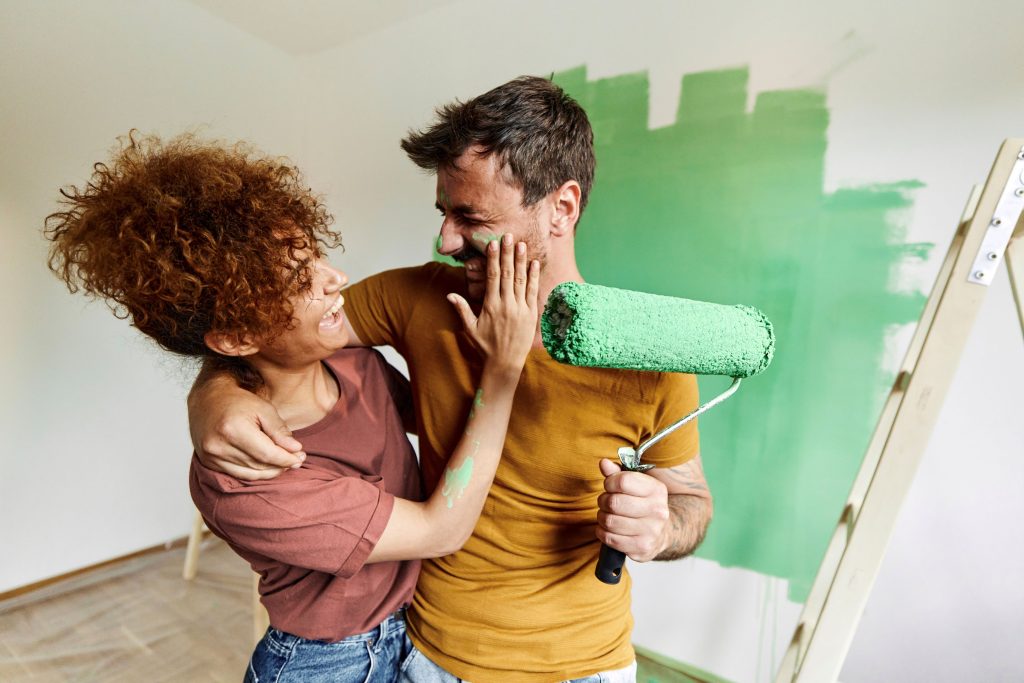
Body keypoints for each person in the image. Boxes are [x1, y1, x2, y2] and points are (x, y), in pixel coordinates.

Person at [190, 76, 713, 682]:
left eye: (471, 217)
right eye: (444, 213)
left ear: (561, 209)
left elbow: (692, 504)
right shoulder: (417, 297)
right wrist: (215, 396)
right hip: (426, 653)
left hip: (581, 665)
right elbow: (272, 330)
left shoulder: (649, 353)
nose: (445, 240)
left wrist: (659, 527)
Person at [45, 132, 540, 682]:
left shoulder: (356, 365)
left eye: (317, 257)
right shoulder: (251, 478)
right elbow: (437, 531)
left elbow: (441, 421)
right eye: (300, 279)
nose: (336, 279)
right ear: (235, 336)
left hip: (412, 632)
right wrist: (502, 372)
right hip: (324, 662)